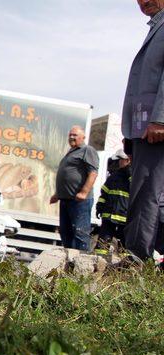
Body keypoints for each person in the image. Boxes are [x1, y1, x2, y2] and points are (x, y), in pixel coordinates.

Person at [121, 0, 164, 262]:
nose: (143, 1)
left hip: (155, 128)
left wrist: (161, 119)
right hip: (143, 128)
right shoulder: (156, 27)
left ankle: (137, 258)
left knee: (147, 193)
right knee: (151, 194)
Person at [50, 126, 99, 251]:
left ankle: (81, 265)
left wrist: (84, 192)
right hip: (66, 199)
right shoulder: (71, 152)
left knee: (80, 233)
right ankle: (69, 263)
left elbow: (93, 173)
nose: (72, 137)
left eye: (75, 135)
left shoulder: (87, 150)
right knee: (65, 232)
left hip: (79, 201)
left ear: (83, 137)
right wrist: (57, 194)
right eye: (70, 135)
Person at [94, 149, 131, 256]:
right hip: (109, 216)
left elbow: (137, 191)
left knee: (124, 246)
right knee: (103, 243)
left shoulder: (133, 176)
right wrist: (99, 206)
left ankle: (122, 268)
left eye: (119, 160)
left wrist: (130, 172)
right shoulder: (113, 176)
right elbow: (104, 193)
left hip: (125, 218)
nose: (117, 163)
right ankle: (98, 264)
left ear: (127, 160)